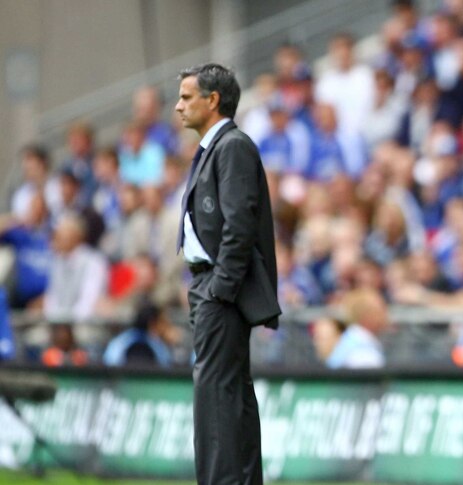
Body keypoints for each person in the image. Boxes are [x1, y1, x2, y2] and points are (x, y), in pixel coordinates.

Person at [174, 63, 281, 485]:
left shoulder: (232, 146)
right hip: (210, 285)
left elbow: (240, 224)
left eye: (186, 96)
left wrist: (219, 290)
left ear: (212, 100)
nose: (179, 106)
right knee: (228, 396)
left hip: (220, 290)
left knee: (217, 400)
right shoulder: (217, 148)